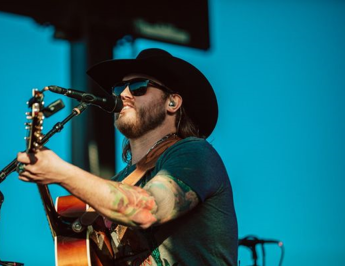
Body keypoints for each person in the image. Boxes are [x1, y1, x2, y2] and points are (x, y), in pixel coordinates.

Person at [17, 48, 238, 265]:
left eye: (139, 86)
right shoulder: (115, 184)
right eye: (119, 88)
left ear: (172, 103)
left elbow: (147, 210)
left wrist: (61, 172)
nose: (123, 95)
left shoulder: (194, 153)